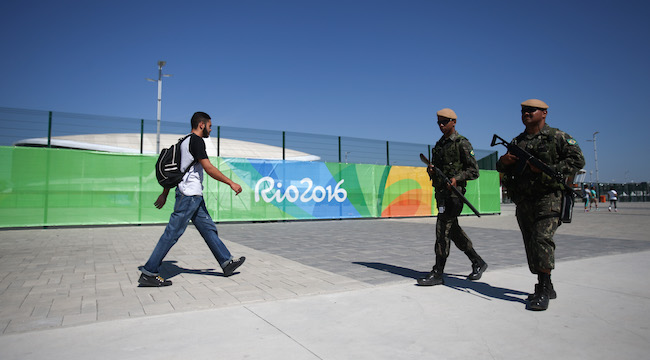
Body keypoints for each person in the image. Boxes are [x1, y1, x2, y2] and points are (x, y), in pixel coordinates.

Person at [138, 111, 245, 287]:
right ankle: (149, 272)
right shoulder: (196, 141)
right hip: (189, 195)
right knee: (172, 233)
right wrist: (231, 183)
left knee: (208, 229)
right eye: (210, 126)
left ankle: (226, 262)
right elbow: (208, 168)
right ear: (201, 125)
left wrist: (165, 194)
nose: (211, 129)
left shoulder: (184, 141)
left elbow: (176, 171)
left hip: (192, 195)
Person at [496, 99, 585, 311]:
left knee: (541, 238)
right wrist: (505, 161)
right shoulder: (518, 141)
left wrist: (546, 168)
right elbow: (502, 167)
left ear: (544, 113)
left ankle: (543, 288)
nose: (526, 114)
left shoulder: (558, 137)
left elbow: (577, 161)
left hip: (549, 197)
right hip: (525, 199)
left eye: (530, 110)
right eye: (523, 111)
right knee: (531, 244)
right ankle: (547, 283)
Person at [417, 108, 487, 286]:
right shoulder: (439, 145)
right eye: (439, 122)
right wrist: (431, 171)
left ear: (454, 122)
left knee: (442, 229)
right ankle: (477, 261)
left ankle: (438, 272)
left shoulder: (462, 143)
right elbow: (435, 171)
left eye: (445, 122)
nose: (441, 125)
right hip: (441, 194)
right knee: (452, 230)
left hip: (455, 196)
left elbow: (473, 171)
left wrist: (457, 179)